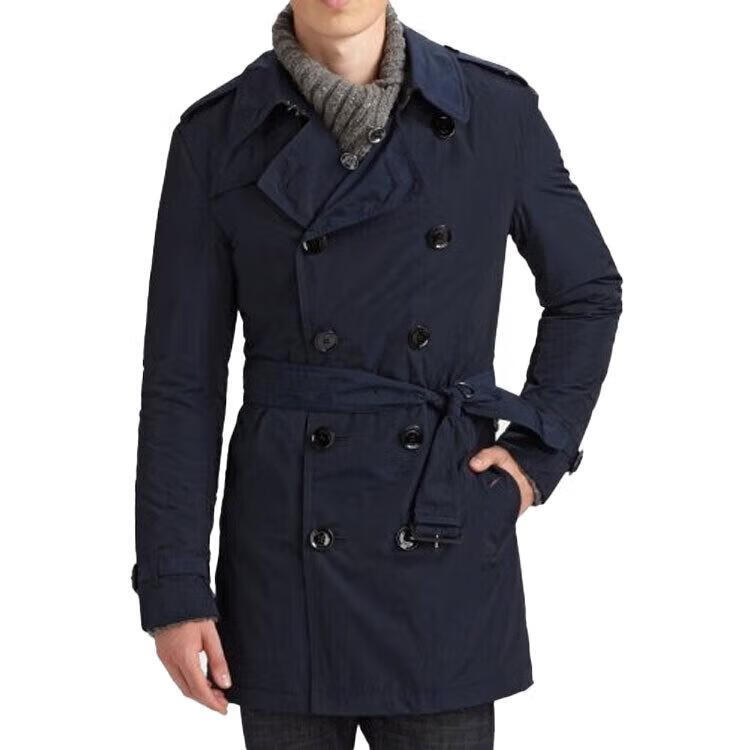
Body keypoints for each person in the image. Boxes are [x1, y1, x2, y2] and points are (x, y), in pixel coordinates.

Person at [132, 0, 623, 747]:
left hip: (439, 535)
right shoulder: (216, 136)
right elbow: (181, 381)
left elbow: (586, 293)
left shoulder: (493, 112)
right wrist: (174, 587)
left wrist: (533, 458)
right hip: (285, 562)